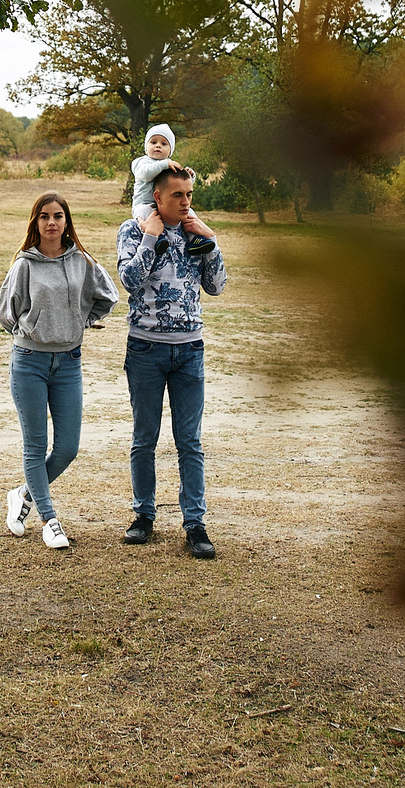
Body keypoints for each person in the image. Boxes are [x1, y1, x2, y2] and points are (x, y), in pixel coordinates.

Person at [115, 161, 225, 558]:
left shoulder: (196, 232)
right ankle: (143, 516)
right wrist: (150, 237)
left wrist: (211, 241)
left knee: (190, 442)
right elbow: (129, 281)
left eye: (189, 195)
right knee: (144, 439)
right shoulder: (133, 230)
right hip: (146, 348)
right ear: (157, 196)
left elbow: (217, 286)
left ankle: (195, 523)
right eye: (177, 195)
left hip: (190, 350)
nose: (185, 202)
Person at [0, 190, 116, 551]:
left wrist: (78, 322)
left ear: (67, 222)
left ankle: (23, 494)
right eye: (45, 216)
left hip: (69, 363)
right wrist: (33, 330)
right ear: (36, 222)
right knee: (35, 446)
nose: (51, 222)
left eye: (58, 216)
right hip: (29, 362)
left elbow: (107, 296)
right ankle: (50, 521)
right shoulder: (24, 265)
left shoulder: (82, 261)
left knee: (67, 448)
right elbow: (6, 313)